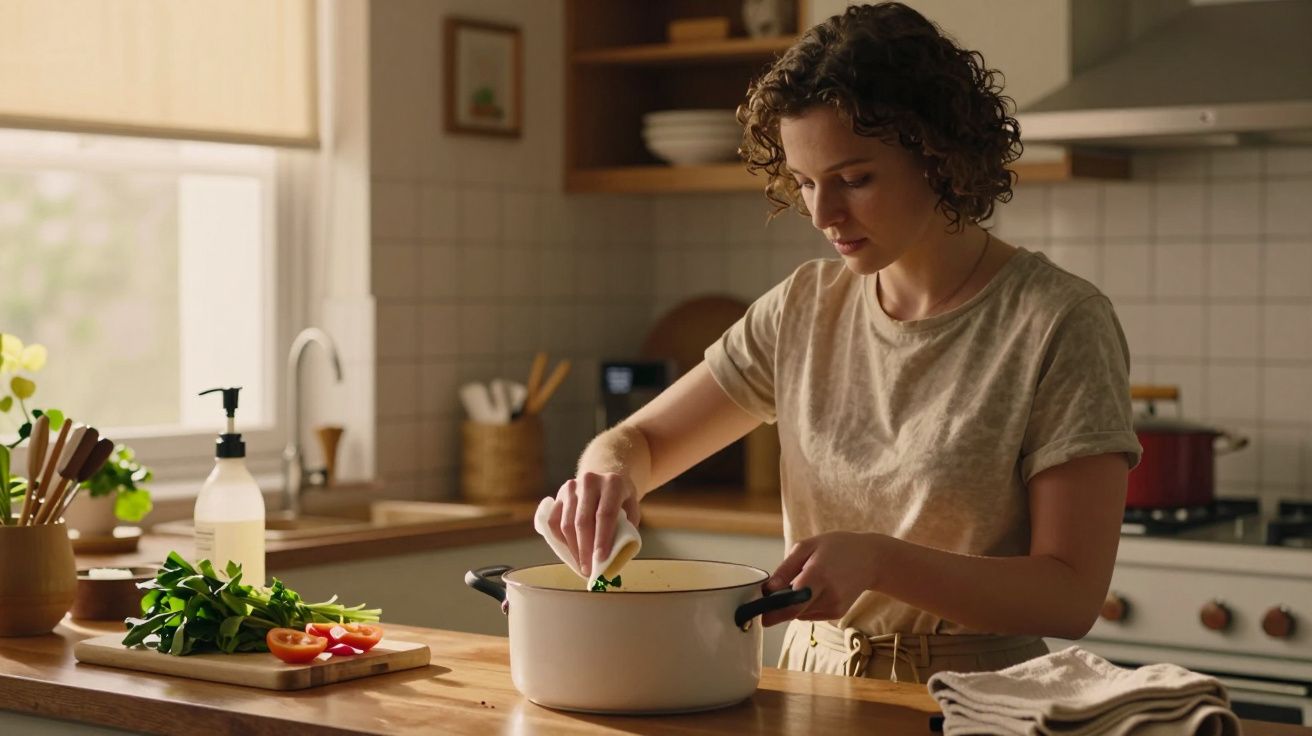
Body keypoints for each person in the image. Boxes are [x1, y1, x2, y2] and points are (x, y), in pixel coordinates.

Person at [547, 2, 1142, 682]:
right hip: (806, 688)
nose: (823, 215)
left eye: (854, 179)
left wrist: (882, 562)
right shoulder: (803, 307)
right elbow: (641, 443)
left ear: (939, 155)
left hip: (977, 699)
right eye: (804, 183)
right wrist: (607, 476)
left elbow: (1070, 595)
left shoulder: (1057, 321)